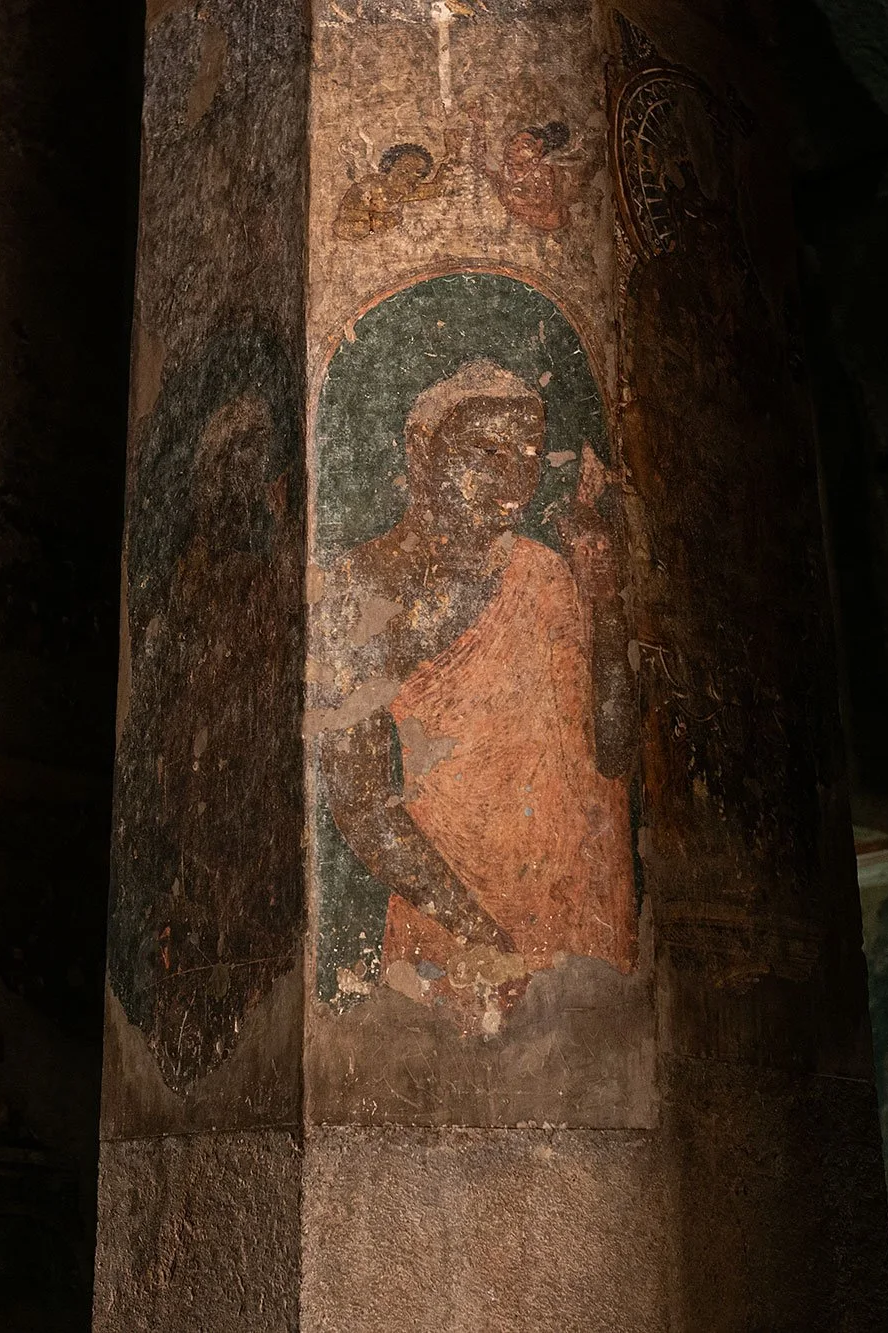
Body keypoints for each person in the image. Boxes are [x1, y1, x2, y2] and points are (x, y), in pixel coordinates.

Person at [315, 360, 633, 1035]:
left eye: (527, 456)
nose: (513, 479)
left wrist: (604, 596)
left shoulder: (543, 576)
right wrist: (481, 935)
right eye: (485, 453)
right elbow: (360, 802)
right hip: (453, 924)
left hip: (567, 913)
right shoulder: (366, 584)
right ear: (423, 451)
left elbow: (609, 754)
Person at [333, 141, 457, 241]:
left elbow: (435, 189)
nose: (411, 178)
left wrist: (450, 160)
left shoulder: (405, 190)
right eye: (404, 171)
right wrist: (376, 224)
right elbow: (342, 228)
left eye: (418, 174)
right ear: (389, 167)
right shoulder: (365, 189)